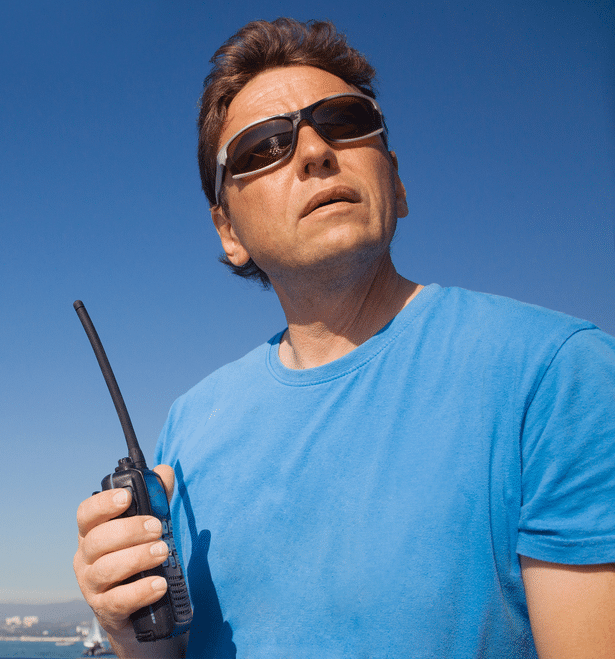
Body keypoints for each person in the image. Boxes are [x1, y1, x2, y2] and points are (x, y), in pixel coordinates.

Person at [73, 17, 615, 659]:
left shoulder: (556, 375)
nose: (313, 151)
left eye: (346, 121)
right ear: (229, 232)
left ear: (397, 181)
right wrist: (128, 627)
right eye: (260, 148)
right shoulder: (189, 424)